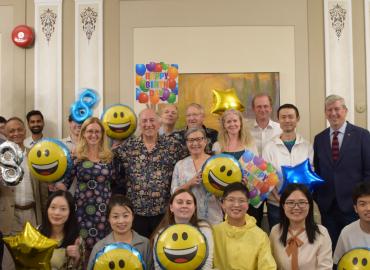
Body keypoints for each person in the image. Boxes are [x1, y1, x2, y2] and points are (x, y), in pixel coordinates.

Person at [114, 108, 185, 238]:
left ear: (159, 123)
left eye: (152, 120)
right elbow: (109, 162)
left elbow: (186, 165)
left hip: (163, 212)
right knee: (140, 249)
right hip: (136, 212)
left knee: (161, 249)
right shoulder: (127, 147)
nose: (148, 124)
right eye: (144, 121)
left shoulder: (173, 146)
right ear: (139, 125)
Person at [313, 94, 370, 248]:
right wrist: (319, 198)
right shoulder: (319, 139)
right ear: (325, 113)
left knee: (354, 248)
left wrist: (362, 202)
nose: (333, 113)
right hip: (328, 207)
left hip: (353, 206)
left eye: (337, 109)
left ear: (345, 111)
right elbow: (317, 172)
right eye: (329, 110)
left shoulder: (362, 135)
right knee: (331, 250)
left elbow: (368, 172)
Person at [61, 117, 117, 261]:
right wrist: (52, 181)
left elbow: (117, 184)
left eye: (97, 131)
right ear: (84, 133)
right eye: (90, 131)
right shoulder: (76, 157)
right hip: (82, 213)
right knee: (83, 254)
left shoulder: (109, 158)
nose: (93, 135)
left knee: (104, 254)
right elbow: (65, 184)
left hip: (104, 213)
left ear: (102, 134)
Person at [263, 104, 313, 230]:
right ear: (278, 120)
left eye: (290, 117)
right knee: (278, 239)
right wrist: (279, 199)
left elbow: (311, 173)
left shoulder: (307, 146)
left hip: (302, 204)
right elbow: (266, 176)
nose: (287, 120)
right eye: (283, 117)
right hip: (276, 204)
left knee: (303, 239)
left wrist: (301, 199)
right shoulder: (269, 147)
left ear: (297, 119)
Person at [0, 117, 48, 235]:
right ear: (5, 133)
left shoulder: (36, 155)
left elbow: (43, 190)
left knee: (33, 253)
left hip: (33, 214)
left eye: (19, 130)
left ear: (25, 131)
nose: (16, 133)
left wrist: (45, 216)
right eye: (11, 131)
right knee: (9, 253)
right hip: (9, 216)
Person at [213, 182, 276, 270]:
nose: (236, 205)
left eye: (241, 200)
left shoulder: (260, 236)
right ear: (223, 203)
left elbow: (268, 267)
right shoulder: (214, 232)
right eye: (231, 200)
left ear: (247, 204)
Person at [269, 184, 332, 270]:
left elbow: (325, 268)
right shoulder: (275, 231)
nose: (296, 207)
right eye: (290, 203)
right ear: (283, 206)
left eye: (302, 202)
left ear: (309, 205)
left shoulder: (322, 232)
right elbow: (271, 265)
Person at [171, 127, 223, 225]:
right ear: (186, 143)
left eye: (199, 139)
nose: (195, 143)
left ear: (205, 141)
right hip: (186, 218)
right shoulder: (180, 165)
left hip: (213, 218)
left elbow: (224, 193)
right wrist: (190, 183)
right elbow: (174, 193)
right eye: (191, 140)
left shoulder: (216, 162)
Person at [151, 189, 213, 269]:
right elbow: (158, 265)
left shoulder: (204, 228)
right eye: (179, 202)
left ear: (194, 208)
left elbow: (207, 263)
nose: (184, 205)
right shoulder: (161, 233)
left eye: (189, 203)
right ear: (171, 207)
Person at [88, 194, 152, 270]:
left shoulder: (145, 244)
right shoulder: (99, 247)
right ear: (108, 219)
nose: (121, 221)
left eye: (125, 216)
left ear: (133, 216)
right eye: (115, 217)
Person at [39, 190, 84, 269]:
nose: (57, 213)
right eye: (53, 207)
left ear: (70, 212)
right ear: (47, 209)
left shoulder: (77, 241)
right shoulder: (36, 232)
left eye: (63, 209)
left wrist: (77, 259)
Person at [333, 182, 370, 265]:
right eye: (362, 204)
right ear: (355, 208)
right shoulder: (346, 232)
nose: (368, 208)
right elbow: (337, 263)